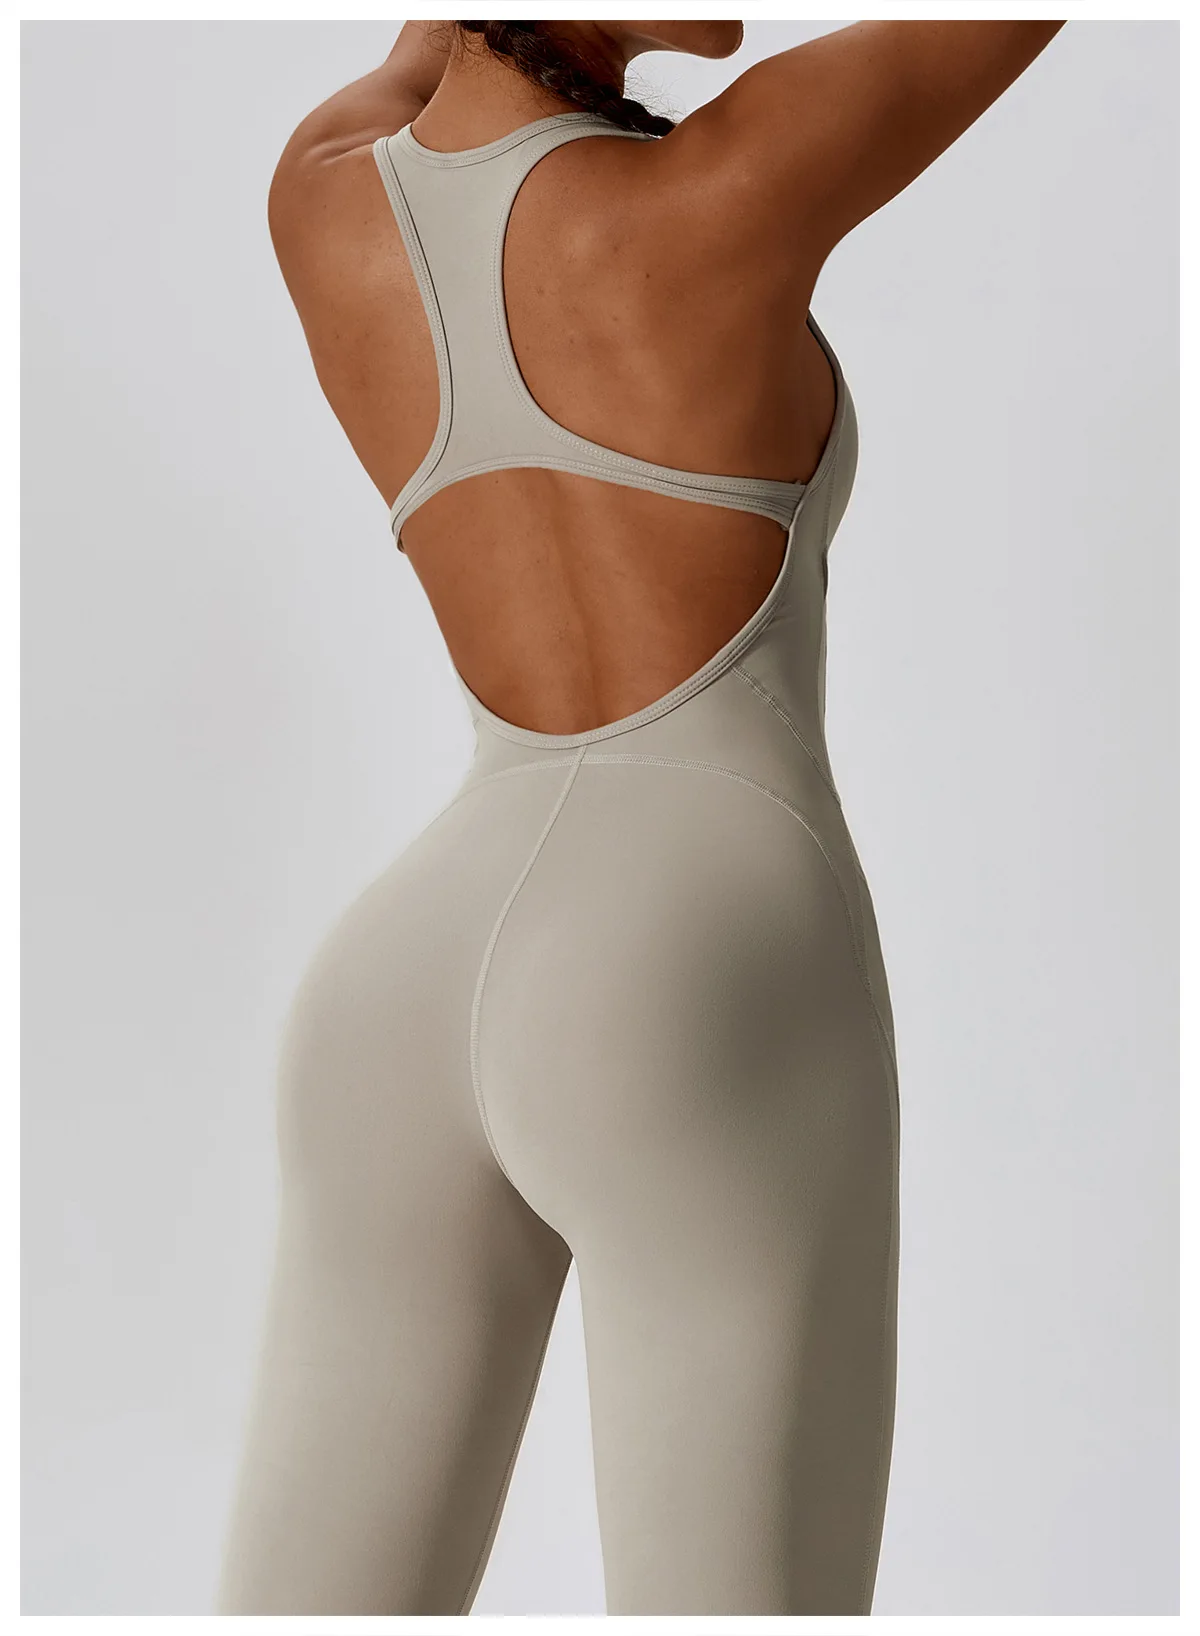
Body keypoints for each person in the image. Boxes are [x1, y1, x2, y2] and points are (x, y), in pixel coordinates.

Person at [214, 18, 1065, 1616]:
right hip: (697, 939)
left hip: (404, 976)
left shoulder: (321, 194)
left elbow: (429, 62)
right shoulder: (733, 190)